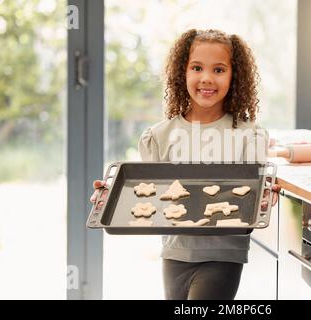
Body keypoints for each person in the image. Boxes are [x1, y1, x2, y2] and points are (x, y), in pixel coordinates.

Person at [90, 29, 281, 300]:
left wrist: (264, 200)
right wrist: (110, 198)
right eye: (197, 67)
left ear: (234, 76)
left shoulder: (249, 136)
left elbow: (254, 195)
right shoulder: (159, 136)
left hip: (223, 255)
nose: (206, 78)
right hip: (174, 252)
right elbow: (152, 197)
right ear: (183, 72)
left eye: (218, 69)